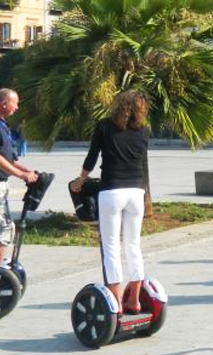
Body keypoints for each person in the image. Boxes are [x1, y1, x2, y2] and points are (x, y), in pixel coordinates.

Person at [70, 90, 151, 314]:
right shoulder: (144, 131)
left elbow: (92, 156)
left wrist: (81, 180)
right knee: (134, 246)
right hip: (136, 192)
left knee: (111, 246)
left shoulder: (104, 126)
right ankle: (134, 300)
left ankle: (115, 303)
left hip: (112, 191)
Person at [0, 88, 38, 266]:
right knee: (4, 228)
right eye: (15, 103)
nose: (17, 107)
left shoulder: (1, 124)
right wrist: (21, 175)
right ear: (4, 104)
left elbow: (10, 159)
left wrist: (28, 172)